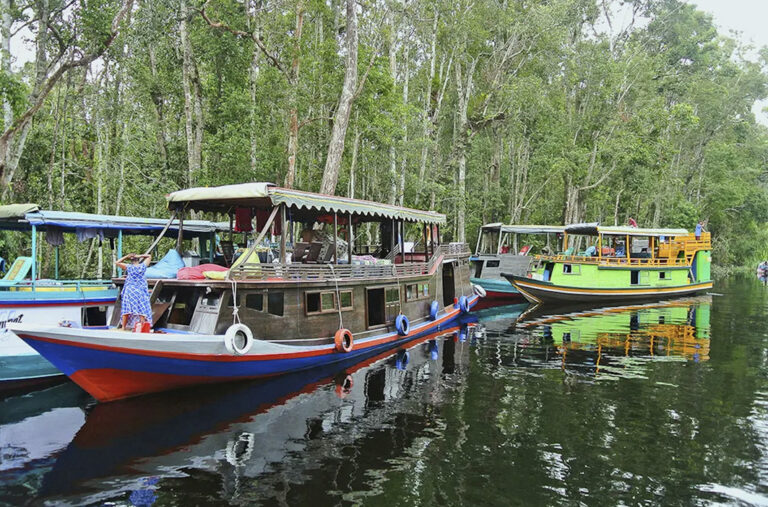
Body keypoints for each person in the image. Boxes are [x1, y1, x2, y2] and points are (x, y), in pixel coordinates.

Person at [116, 253, 152, 330]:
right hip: (140, 290)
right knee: (141, 308)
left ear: (131, 261)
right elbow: (149, 256)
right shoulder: (142, 266)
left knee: (127, 308)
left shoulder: (129, 267)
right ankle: (143, 326)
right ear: (138, 260)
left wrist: (126, 256)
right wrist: (140, 255)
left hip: (130, 290)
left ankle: (123, 327)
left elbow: (117, 262)